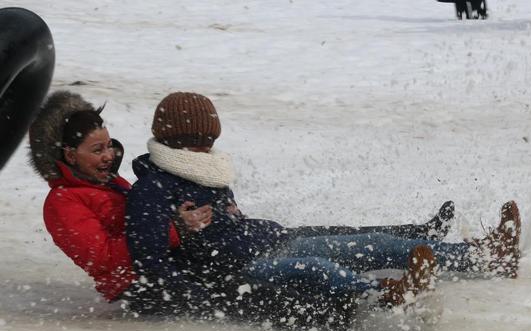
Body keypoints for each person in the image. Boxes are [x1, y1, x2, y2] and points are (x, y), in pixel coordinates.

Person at [124, 92, 522, 329]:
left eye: (208, 140)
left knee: (371, 244)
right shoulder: (152, 190)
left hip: (271, 240)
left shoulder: (207, 172)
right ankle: (385, 294)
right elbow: (150, 257)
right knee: (317, 269)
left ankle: (485, 257)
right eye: (197, 141)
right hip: (237, 271)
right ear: (175, 141)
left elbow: (230, 222)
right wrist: (203, 299)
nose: (205, 149)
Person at [29, 91, 456, 310]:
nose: (109, 157)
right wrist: (178, 233)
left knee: (338, 239)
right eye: (97, 150)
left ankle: (453, 248)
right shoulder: (67, 204)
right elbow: (114, 259)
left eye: (110, 146)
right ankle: (381, 293)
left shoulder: (115, 183)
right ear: (69, 155)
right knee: (313, 266)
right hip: (153, 288)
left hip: (232, 248)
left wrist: (231, 222)